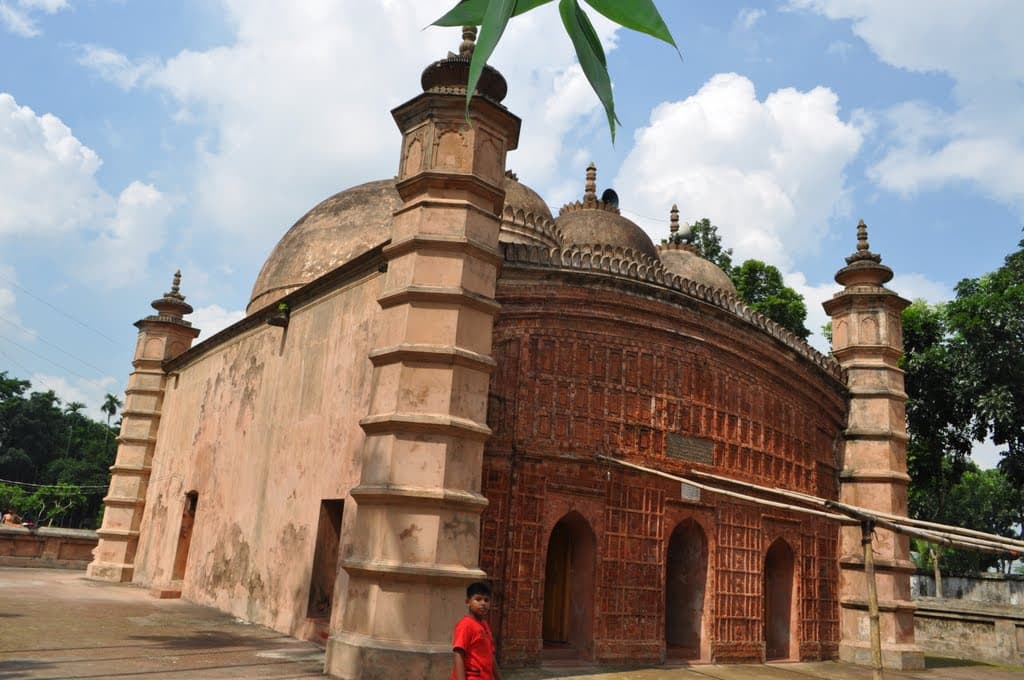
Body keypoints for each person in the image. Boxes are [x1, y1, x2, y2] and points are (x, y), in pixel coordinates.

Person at [451, 581, 501, 680]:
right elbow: (458, 654)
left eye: (486, 600)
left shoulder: (484, 625)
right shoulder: (466, 625)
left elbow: (491, 655)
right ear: (468, 602)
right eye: (478, 599)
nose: (483, 603)